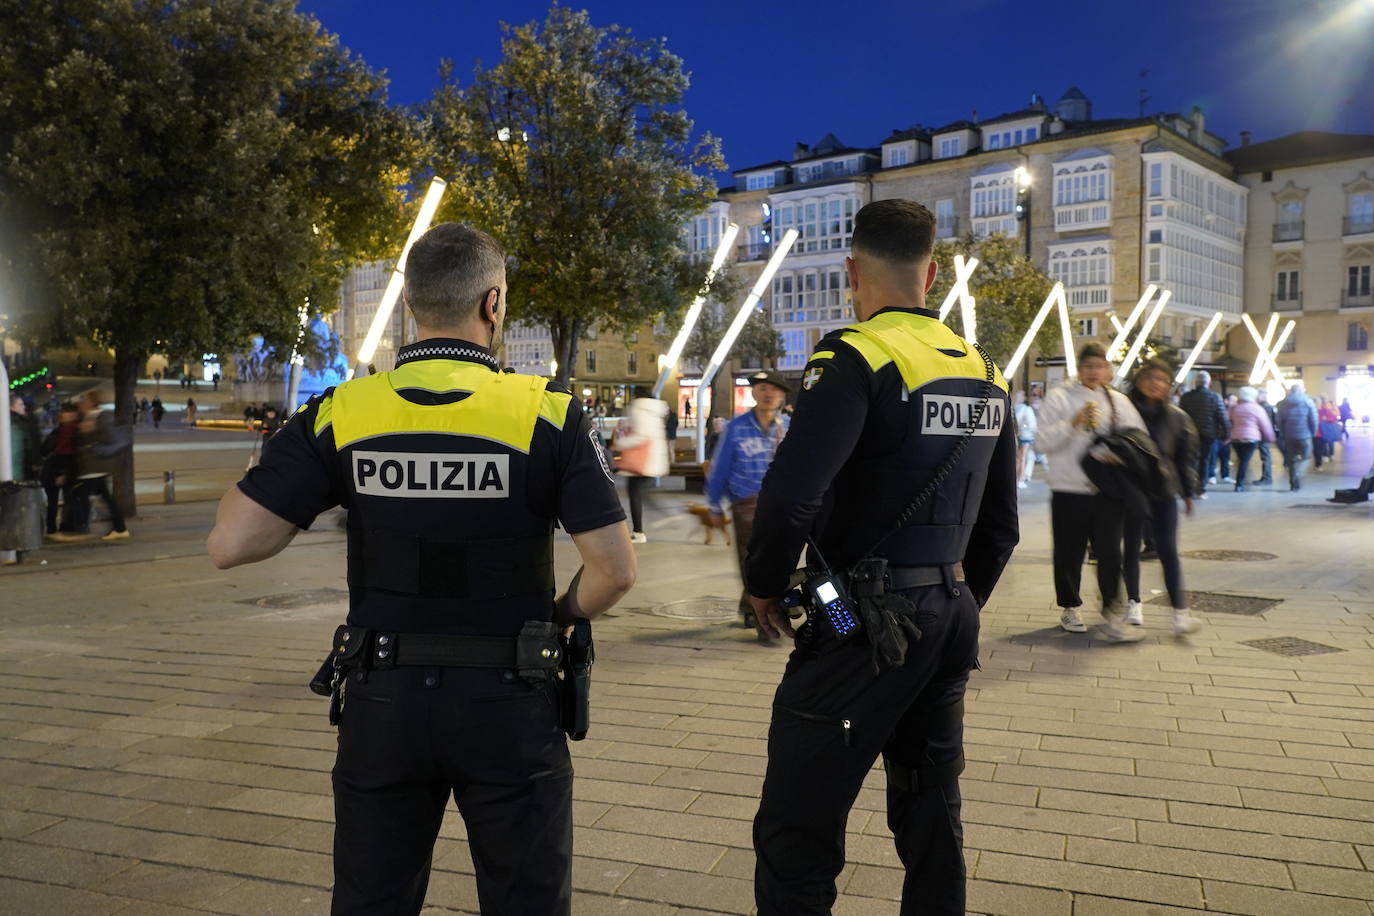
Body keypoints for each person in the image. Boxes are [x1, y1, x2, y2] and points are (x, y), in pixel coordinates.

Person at [207, 222, 636, 915]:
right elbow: (615, 572)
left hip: (385, 699)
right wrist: (556, 617)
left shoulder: (346, 411)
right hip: (511, 700)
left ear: (409, 303)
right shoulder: (547, 413)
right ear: (493, 304)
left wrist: (282, 464)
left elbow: (231, 543)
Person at [743, 199, 1018, 915]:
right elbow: (1000, 528)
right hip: (950, 611)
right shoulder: (987, 370)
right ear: (931, 271)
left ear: (850, 272)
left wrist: (764, 587)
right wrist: (946, 599)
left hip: (855, 621)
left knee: (796, 826)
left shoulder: (855, 355)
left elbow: (790, 497)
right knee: (931, 812)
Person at [1035, 343, 1147, 641]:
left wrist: (1119, 457)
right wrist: (1072, 423)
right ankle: (1070, 606)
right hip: (1068, 488)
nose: (1094, 372)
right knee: (1069, 553)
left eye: (1100, 366)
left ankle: (1112, 611)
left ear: (1108, 370)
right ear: (1079, 369)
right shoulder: (1060, 397)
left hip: (1108, 491)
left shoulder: (1118, 402)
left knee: (1111, 554)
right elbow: (1042, 441)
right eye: (1088, 366)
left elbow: (1138, 440)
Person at [705, 370, 790, 639]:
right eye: (762, 388)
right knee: (751, 561)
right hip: (746, 506)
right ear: (753, 393)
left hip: (781, 505)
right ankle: (761, 614)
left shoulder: (787, 425)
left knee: (778, 560)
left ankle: (751, 603)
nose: (768, 394)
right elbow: (720, 469)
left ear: (782, 395)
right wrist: (715, 506)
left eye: (774, 390)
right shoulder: (737, 427)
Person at [1123, 361, 1203, 635]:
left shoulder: (1177, 417)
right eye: (1150, 377)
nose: (1156, 383)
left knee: (1168, 551)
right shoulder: (1126, 411)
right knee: (1131, 548)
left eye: (1162, 379)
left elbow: (1185, 457)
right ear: (1139, 380)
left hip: (1163, 490)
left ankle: (1179, 612)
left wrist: (1189, 492)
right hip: (1132, 489)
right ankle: (1133, 603)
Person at [67, 391, 130, 541]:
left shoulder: (102, 415)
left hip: (96, 466)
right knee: (103, 497)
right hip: (89, 467)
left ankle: (78, 526)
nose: (81, 404)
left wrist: (92, 430)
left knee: (78, 494)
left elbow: (108, 437)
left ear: (91, 402)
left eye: (84, 401)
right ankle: (119, 528)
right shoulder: (87, 416)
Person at [612, 398, 669, 543]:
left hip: (642, 463)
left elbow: (640, 437)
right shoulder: (654, 415)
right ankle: (660, 514)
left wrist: (620, 443)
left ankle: (638, 532)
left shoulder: (640, 413)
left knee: (635, 496)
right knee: (640, 495)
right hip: (650, 463)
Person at [1178, 371, 1229, 496]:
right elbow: (1222, 417)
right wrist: (1227, 435)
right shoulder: (1215, 397)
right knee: (1204, 461)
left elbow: (1180, 416)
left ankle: (1188, 488)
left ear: (1195, 383)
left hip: (1189, 434)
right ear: (1209, 383)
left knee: (1190, 461)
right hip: (1208, 435)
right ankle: (1201, 489)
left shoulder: (1186, 397)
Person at [40, 403, 81, 536]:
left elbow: (68, 455)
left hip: (61, 471)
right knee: (60, 500)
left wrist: (63, 473)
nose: (63, 416)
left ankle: (57, 526)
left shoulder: (66, 432)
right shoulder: (62, 431)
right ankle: (58, 526)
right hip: (55, 471)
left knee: (61, 501)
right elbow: (47, 450)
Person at [1226, 387, 1275, 491]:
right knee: (1244, 461)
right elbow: (1265, 425)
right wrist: (1270, 437)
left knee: (1242, 460)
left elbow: (1227, 422)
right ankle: (1239, 485)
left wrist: (1227, 436)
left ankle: (1240, 483)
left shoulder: (1234, 408)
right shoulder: (1257, 408)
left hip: (1236, 439)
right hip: (1251, 439)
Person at [1276, 382, 1318, 491]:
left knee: (1291, 460)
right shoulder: (1308, 402)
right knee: (1306, 458)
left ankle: (1293, 484)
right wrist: (1312, 432)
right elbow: (1313, 419)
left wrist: (1283, 432)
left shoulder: (1283, 403)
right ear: (1301, 391)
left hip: (1289, 435)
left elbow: (1279, 420)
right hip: (1305, 435)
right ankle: (1298, 475)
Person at [8, 393, 41, 483]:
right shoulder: (22, 422)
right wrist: (35, 461)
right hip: (20, 468)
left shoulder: (6, 421)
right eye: (20, 404)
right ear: (11, 407)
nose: (24, 407)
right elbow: (31, 444)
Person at [1012, 389, 1037, 488]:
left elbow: (1030, 424)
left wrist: (1023, 427)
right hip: (1022, 435)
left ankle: (1021, 478)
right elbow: (1031, 424)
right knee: (1020, 458)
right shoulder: (1018, 408)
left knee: (1021, 458)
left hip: (1023, 436)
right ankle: (1020, 479)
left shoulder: (1020, 408)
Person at [1256, 388, 1277, 485]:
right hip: (1263, 435)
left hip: (1263, 435)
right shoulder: (1264, 406)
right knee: (1264, 456)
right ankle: (1265, 477)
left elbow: (1265, 423)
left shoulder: (1266, 407)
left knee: (1265, 456)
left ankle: (1267, 478)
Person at [1317, 396, 1341, 466]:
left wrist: (1327, 418)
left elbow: (1335, 415)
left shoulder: (1329, 406)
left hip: (1329, 426)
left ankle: (1330, 454)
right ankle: (1327, 455)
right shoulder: (1322, 407)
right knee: (1325, 441)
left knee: (1329, 441)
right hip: (1324, 426)